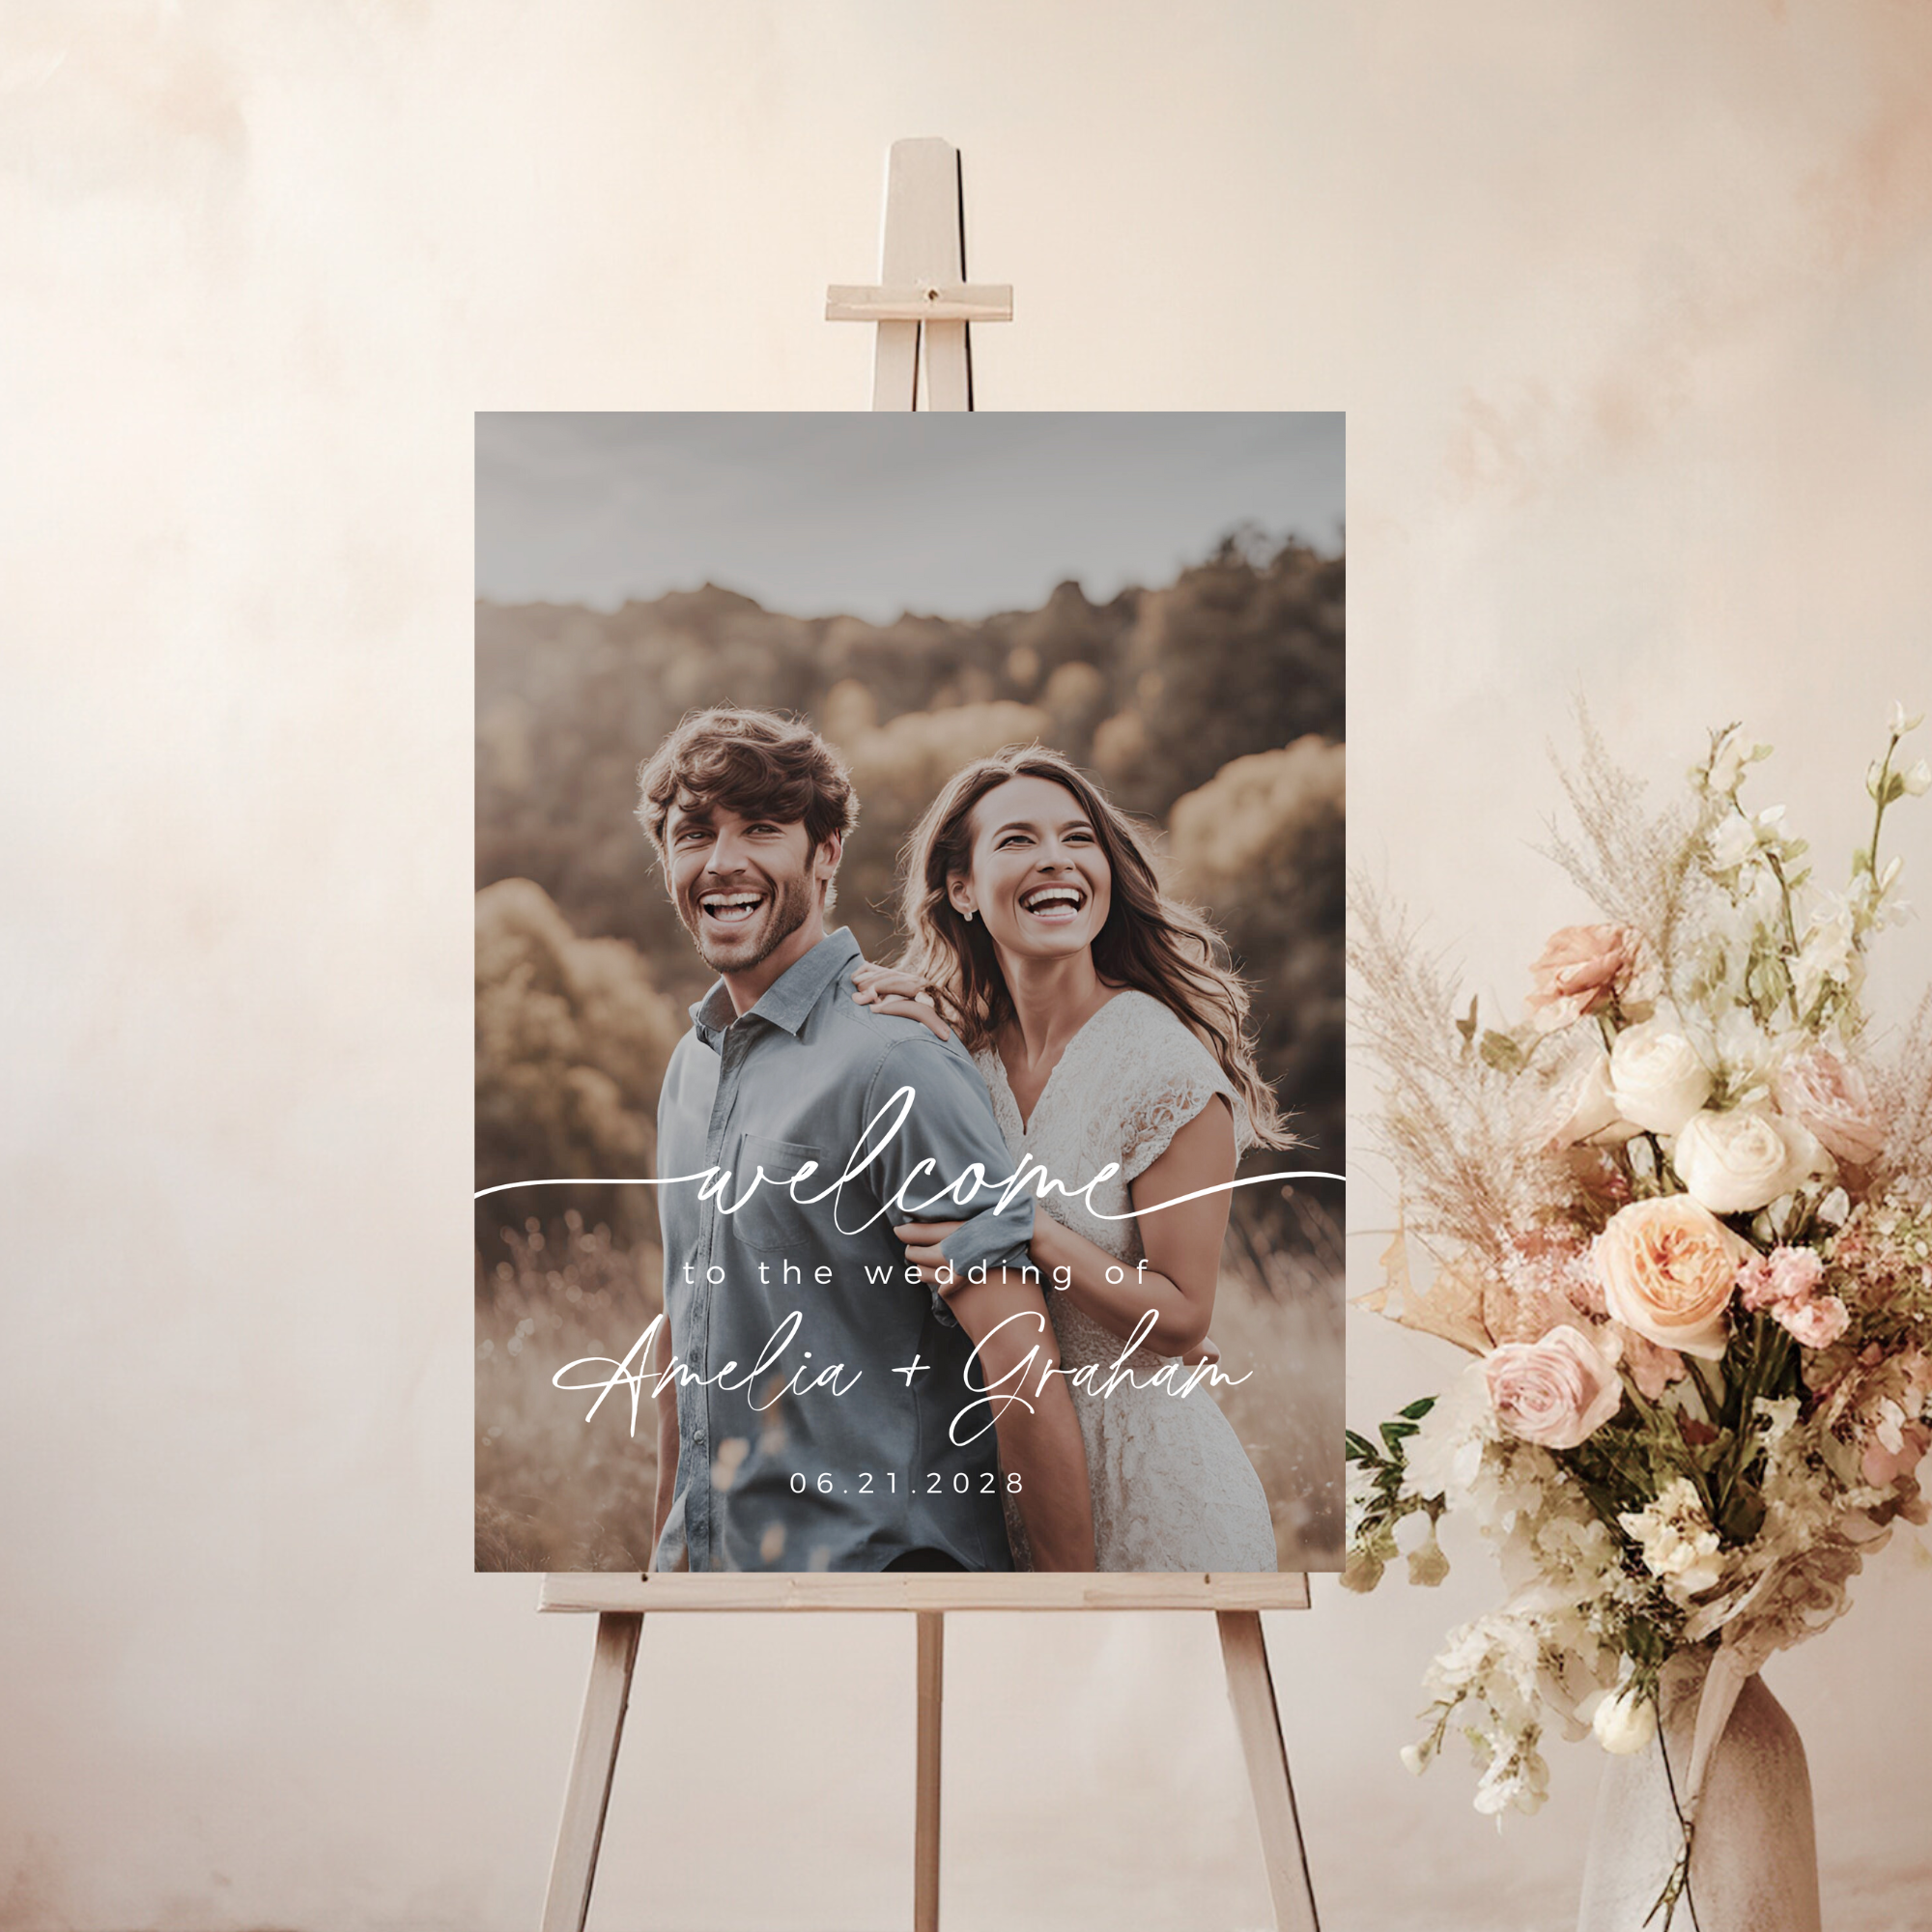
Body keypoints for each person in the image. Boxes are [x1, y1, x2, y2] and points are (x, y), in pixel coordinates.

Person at [635, 707, 1094, 1573]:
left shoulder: (895, 1061)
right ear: (667, 860)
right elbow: (685, 1342)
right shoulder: (689, 1072)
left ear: (827, 853)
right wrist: (667, 1575)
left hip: (881, 1588)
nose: (723, 860)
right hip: (722, 1588)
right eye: (694, 834)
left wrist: (1065, 1618)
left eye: (762, 830)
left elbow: (1018, 1358)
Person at [852, 746, 1286, 1570]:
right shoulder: (958, 1057)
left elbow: (1185, 1316)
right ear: (961, 888)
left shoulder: (1161, 1065)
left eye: (1077, 838)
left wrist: (1032, 1231)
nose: (1055, 858)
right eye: (1016, 841)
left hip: (1158, 1488)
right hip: (1007, 1475)